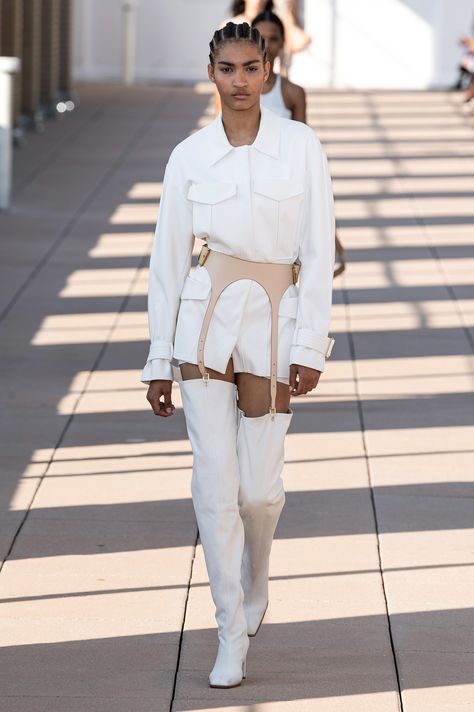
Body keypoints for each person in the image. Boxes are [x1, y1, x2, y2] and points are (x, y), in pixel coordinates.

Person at [143, 21, 335, 689]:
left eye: (251, 67)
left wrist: (312, 345)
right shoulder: (189, 156)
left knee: (259, 492)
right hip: (203, 323)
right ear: (212, 73)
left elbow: (319, 251)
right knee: (214, 484)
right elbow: (167, 261)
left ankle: (257, 578)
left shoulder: (301, 146)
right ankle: (229, 630)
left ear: (267, 69)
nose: (240, 81)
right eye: (228, 69)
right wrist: (158, 359)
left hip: (276, 326)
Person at [253, 9, 346, 275]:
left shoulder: (292, 92)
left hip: (280, 189)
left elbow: (304, 149)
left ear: (282, 44)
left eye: (273, 39)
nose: (266, 45)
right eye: (260, 38)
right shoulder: (231, 91)